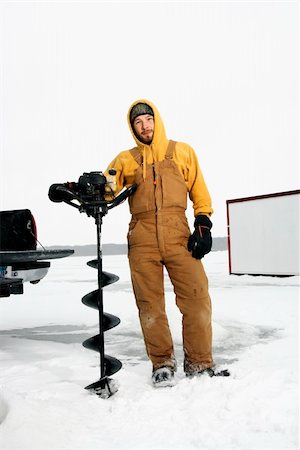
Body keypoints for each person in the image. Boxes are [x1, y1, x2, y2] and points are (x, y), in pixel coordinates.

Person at [105, 99, 227, 387]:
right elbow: (107, 190)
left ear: (156, 120)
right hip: (142, 236)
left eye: (148, 119)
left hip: (179, 234)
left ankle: (199, 362)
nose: (144, 126)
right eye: (138, 122)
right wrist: (87, 189)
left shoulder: (182, 151)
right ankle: (162, 363)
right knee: (150, 305)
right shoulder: (126, 159)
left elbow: (199, 190)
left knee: (197, 299)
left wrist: (203, 224)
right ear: (132, 127)